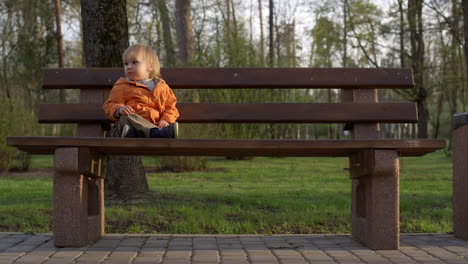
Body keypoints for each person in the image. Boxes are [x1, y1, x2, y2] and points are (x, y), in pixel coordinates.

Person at [103, 44, 179, 138]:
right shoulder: (122, 86)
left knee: (150, 126)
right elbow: (110, 104)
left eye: (134, 62)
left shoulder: (162, 88)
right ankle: (154, 133)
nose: (129, 67)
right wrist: (119, 109)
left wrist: (166, 120)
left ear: (150, 66)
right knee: (127, 117)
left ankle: (153, 132)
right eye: (126, 64)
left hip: (154, 126)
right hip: (128, 126)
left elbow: (171, 108)